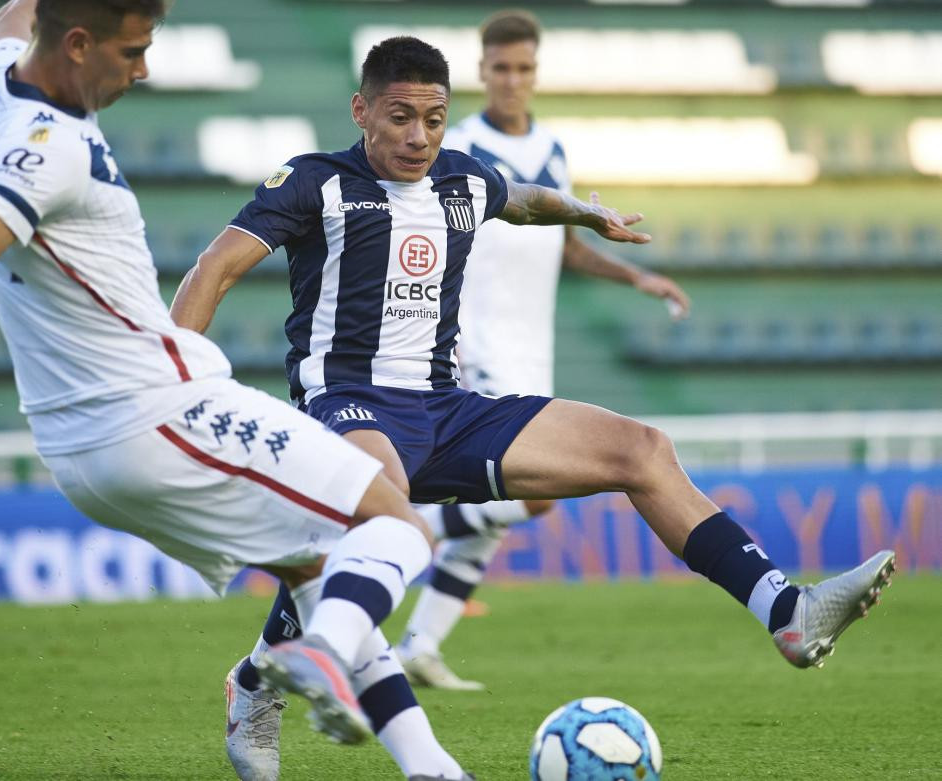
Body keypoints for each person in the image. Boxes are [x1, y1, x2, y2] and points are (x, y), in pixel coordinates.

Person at [0, 3, 493, 779]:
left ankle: (422, 762)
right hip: (159, 413)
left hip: (77, 449)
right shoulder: (49, 150)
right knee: (398, 529)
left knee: (325, 570)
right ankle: (315, 653)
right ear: (79, 44)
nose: (145, 68)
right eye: (133, 49)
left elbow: (10, 15)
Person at [169, 34, 895, 781]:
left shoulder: (461, 180)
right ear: (361, 111)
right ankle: (261, 684)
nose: (419, 135)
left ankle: (787, 611)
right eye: (399, 116)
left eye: (434, 118)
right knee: (379, 528)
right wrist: (178, 386)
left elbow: (522, 200)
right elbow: (214, 267)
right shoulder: (315, 183)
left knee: (640, 448)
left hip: (449, 409)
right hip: (349, 405)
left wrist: (586, 213)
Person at [394, 9, 694, 691]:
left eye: (524, 68)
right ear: (481, 71)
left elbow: (565, 246)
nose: (512, 80)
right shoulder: (453, 141)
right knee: (532, 495)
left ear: (536, 71)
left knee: (491, 518)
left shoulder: (553, 151)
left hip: (532, 343)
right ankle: (398, 526)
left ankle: (417, 643)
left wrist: (635, 275)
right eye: (500, 68)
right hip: (471, 342)